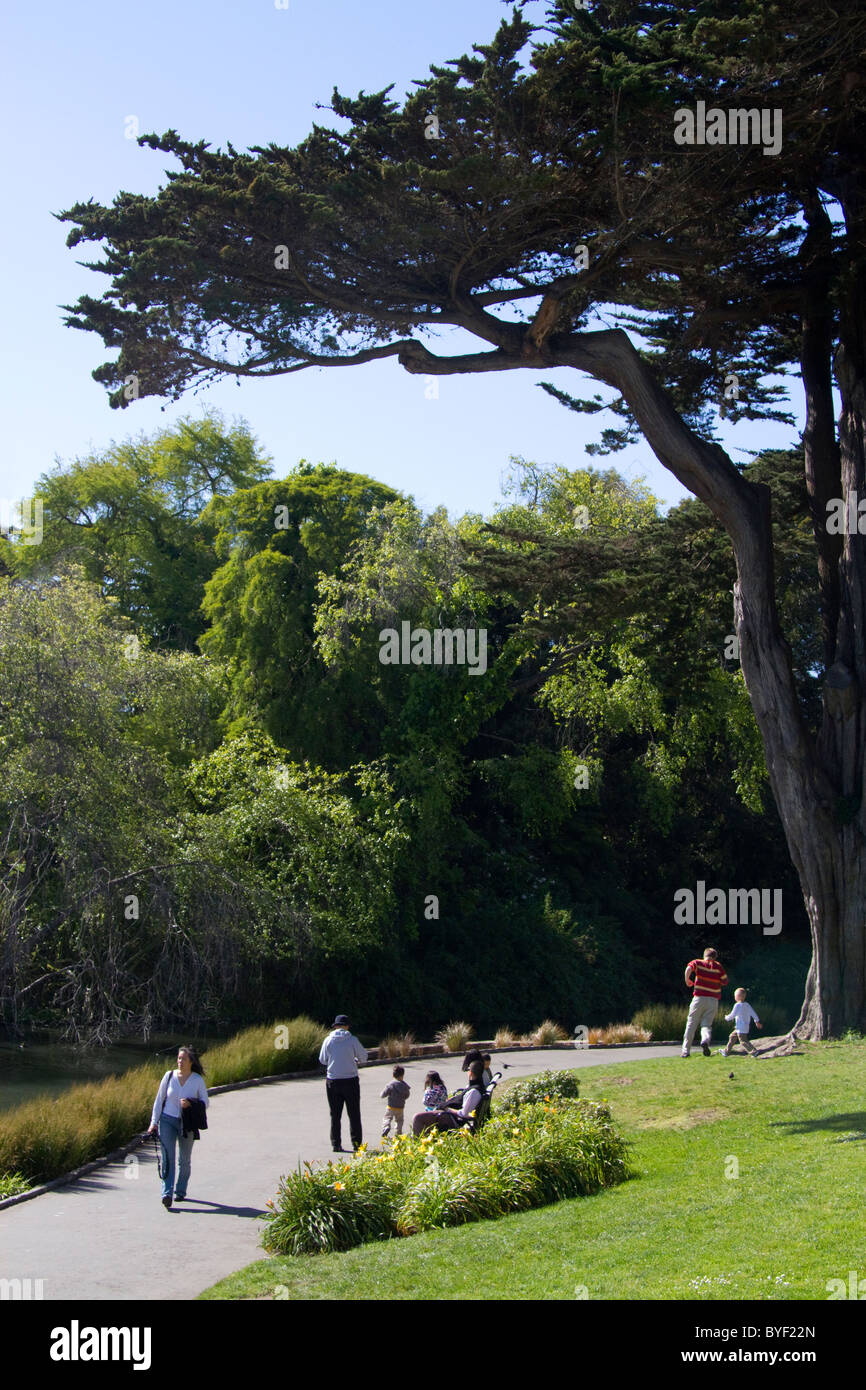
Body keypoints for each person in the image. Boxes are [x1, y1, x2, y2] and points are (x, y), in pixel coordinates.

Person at [147, 1046, 209, 1209]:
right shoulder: (169, 1076)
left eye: (184, 1059)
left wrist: (190, 1103)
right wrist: (153, 1123)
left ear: (191, 1062)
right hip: (167, 1120)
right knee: (168, 1157)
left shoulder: (197, 1080)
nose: (180, 1061)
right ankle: (167, 1193)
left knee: (184, 1160)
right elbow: (159, 1100)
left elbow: (205, 1102)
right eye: (179, 1058)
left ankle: (180, 1190)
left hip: (187, 1124)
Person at [319, 1014, 368, 1152]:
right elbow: (364, 1057)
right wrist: (354, 1060)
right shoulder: (352, 1040)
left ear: (335, 1026)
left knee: (335, 1114)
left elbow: (323, 1060)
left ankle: (336, 1144)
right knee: (354, 1114)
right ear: (347, 1026)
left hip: (333, 1080)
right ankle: (357, 1144)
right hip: (350, 1080)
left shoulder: (328, 1040)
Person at [412, 1061, 485, 1135]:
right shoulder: (476, 1088)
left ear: (470, 1073)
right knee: (426, 1117)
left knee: (417, 1117)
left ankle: (420, 1143)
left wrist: (447, 1109)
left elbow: (464, 1114)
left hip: (452, 1119)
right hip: (450, 1116)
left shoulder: (474, 1092)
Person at [682, 948, 728, 1057]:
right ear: (715, 957)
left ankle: (685, 1051)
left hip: (699, 998)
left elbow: (689, 968)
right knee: (706, 1024)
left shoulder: (698, 962)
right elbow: (725, 981)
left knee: (691, 1024)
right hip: (713, 1000)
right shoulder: (718, 966)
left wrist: (687, 979)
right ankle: (705, 1040)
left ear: (704, 955)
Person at [720, 988, 762, 1056]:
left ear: (738, 996)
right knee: (732, 1037)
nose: (734, 997)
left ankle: (754, 1052)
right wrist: (757, 1021)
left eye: (735, 996)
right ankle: (726, 1051)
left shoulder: (737, 1005)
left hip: (741, 1028)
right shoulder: (747, 1005)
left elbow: (733, 1015)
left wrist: (726, 1018)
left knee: (743, 1041)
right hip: (742, 1027)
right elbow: (753, 1013)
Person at [380, 1065, 411, 1136]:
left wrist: (382, 1094)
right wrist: (403, 1098)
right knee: (399, 1120)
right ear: (402, 1075)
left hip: (391, 1106)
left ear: (393, 1075)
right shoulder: (404, 1085)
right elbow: (407, 1094)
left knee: (387, 1117)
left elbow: (383, 1094)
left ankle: (386, 1127)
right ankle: (398, 1132)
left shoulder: (391, 1084)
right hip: (400, 1107)